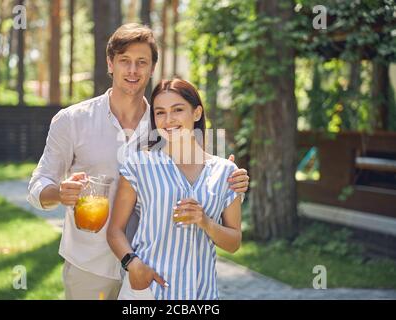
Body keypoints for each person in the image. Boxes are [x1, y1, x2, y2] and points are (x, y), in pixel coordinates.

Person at [27, 23, 249, 300]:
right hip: (90, 261)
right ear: (110, 63)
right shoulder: (72, 121)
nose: (133, 70)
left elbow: (198, 167)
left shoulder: (164, 121)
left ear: (152, 67)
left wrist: (232, 176)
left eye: (141, 62)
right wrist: (59, 193)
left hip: (155, 266)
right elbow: (39, 183)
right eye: (125, 61)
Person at [107, 78, 243, 300]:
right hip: (148, 293)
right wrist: (133, 265)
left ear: (196, 113)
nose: (168, 120)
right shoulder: (138, 165)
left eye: (177, 110)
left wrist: (205, 222)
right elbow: (114, 231)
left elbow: (234, 242)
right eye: (160, 112)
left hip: (202, 295)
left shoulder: (225, 172)